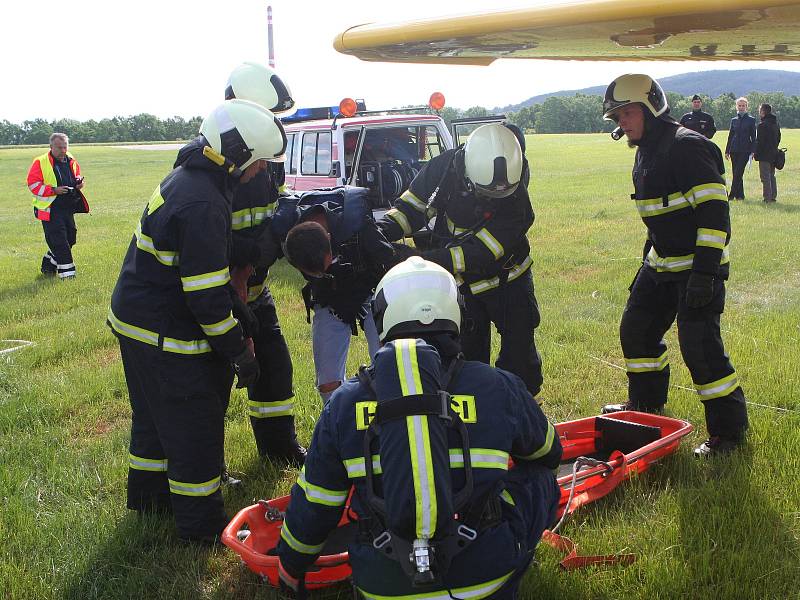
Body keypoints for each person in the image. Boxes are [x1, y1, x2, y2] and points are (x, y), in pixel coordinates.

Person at [275, 257, 562, 599]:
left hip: (383, 588)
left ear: (382, 317)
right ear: (457, 314)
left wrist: (289, 568)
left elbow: (316, 503)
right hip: (486, 580)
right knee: (541, 478)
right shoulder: (498, 386)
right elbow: (549, 452)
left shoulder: (345, 403)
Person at [108, 99, 287, 543]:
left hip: (136, 320)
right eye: (259, 160)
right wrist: (237, 354)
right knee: (194, 427)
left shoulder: (193, 176)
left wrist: (239, 300)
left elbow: (199, 267)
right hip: (163, 331)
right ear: (238, 154)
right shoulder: (204, 201)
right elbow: (205, 300)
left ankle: (150, 501)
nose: (262, 170)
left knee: (152, 418)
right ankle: (200, 529)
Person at [601, 74, 749, 457]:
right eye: (618, 117)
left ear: (651, 108)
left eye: (628, 113)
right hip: (660, 264)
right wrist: (645, 263)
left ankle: (728, 433)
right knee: (636, 331)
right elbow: (659, 217)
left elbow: (716, 214)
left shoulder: (686, 148)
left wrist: (704, 274)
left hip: (697, 268)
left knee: (700, 349)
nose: (623, 123)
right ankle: (647, 407)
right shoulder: (646, 149)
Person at [376, 123, 543, 397]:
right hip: (463, 288)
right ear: (467, 170)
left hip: (509, 282)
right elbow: (412, 209)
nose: (491, 199)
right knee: (465, 361)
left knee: (520, 360)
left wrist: (420, 259)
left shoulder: (518, 201)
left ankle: (522, 411)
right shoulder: (444, 168)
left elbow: (477, 253)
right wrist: (382, 232)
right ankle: (473, 416)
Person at [221, 62, 306, 464]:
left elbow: (274, 212)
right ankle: (207, 465)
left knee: (275, 368)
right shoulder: (217, 164)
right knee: (212, 383)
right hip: (215, 296)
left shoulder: (269, 156)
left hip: (256, 287)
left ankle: (280, 449)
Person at [276, 187, 398, 403]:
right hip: (329, 296)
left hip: (371, 289)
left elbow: (391, 263)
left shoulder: (358, 227)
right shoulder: (285, 229)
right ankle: (337, 421)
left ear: (332, 241)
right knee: (327, 381)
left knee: (387, 363)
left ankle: (388, 412)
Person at [26, 133, 89, 279]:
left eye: (65, 147)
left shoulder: (70, 158)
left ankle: (48, 265)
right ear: (51, 147)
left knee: (71, 239)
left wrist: (79, 182)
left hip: (67, 207)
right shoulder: (40, 162)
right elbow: (33, 184)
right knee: (60, 242)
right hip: (50, 209)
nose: (63, 150)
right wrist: (53, 190)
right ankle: (68, 276)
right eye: (59, 147)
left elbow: (77, 174)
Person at [724, 97, 756, 200]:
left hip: (745, 150)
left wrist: (753, 151)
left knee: (738, 172)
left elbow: (754, 137)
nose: (741, 107)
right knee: (736, 173)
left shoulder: (751, 120)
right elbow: (730, 136)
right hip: (734, 150)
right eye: (739, 105)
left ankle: (731, 195)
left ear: (746, 107)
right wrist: (727, 150)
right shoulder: (733, 120)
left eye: (743, 105)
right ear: (736, 106)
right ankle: (740, 196)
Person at [754, 103, 781, 203]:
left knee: (765, 177)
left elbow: (760, 142)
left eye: (760, 110)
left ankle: (767, 198)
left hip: (764, 155)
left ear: (763, 112)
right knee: (772, 176)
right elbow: (779, 138)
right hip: (774, 153)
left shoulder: (762, 125)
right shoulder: (776, 124)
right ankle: (773, 196)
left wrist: (756, 153)